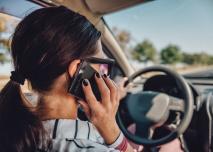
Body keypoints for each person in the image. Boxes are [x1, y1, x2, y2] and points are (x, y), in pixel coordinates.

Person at [0, 6, 182, 152]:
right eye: (102, 65)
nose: (104, 74)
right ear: (77, 70)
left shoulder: (16, 126)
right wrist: (111, 129)